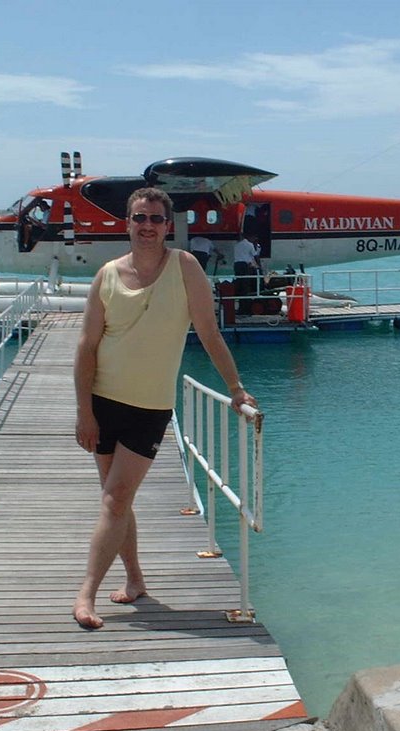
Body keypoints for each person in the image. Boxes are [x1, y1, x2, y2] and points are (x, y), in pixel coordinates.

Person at [72, 187, 257, 630]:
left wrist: (236, 388)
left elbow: (209, 333)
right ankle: (135, 580)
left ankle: (85, 595)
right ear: (128, 223)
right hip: (103, 401)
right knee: (117, 501)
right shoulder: (107, 276)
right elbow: (86, 348)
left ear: (167, 225)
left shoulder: (186, 268)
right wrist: (85, 413)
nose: (148, 226)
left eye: (156, 218)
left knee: (116, 499)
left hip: (150, 407)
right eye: (140, 218)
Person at [233, 232, 262, 313]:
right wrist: (259, 266)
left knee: (240, 284)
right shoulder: (249, 245)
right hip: (245, 266)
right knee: (246, 286)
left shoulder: (237, 245)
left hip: (237, 265)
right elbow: (255, 256)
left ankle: (242, 307)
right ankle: (246, 307)